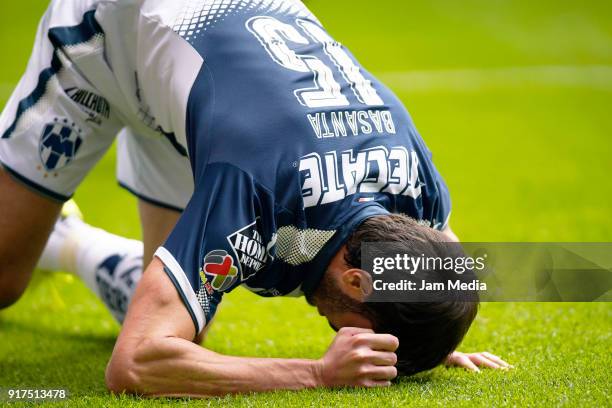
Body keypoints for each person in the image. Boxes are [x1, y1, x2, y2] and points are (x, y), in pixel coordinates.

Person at [0, 0, 510, 397]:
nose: (344, 338)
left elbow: (445, 258)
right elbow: (133, 363)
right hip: (111, 35)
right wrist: (316, 372)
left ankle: (71, 242)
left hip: (212, 93)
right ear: (357, 280)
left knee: (184, 332)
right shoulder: (257, 190)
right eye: (364, 335)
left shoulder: (414, 193)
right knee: (10, 281)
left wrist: (427, 339)